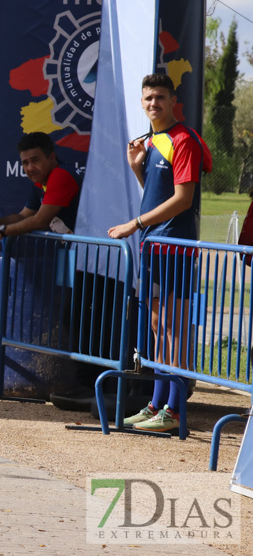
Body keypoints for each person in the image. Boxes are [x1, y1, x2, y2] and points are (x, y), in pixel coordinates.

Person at [109, 73, 213, 433]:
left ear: (173, 101)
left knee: (176, 330)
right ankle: (156, 402)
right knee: (157, 328)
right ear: (142, 102)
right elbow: (159, 195)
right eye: (148, 98)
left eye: (160, 98)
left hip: (176, 248)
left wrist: (134, 223)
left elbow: (183, 200)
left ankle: (174, 409)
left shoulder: (183, 140)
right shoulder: (151, 141)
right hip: (154, 246)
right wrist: (138, 169)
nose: (154, 104)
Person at [0, 132, 81, 249]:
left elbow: (40, 221)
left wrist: (2, 232)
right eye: (25, 163)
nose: (30, 168)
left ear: (51, 158)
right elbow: (23, 216)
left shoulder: (60, 175)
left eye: (35, 160)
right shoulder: (40, 182)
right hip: (78, 250)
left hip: (92, 253)